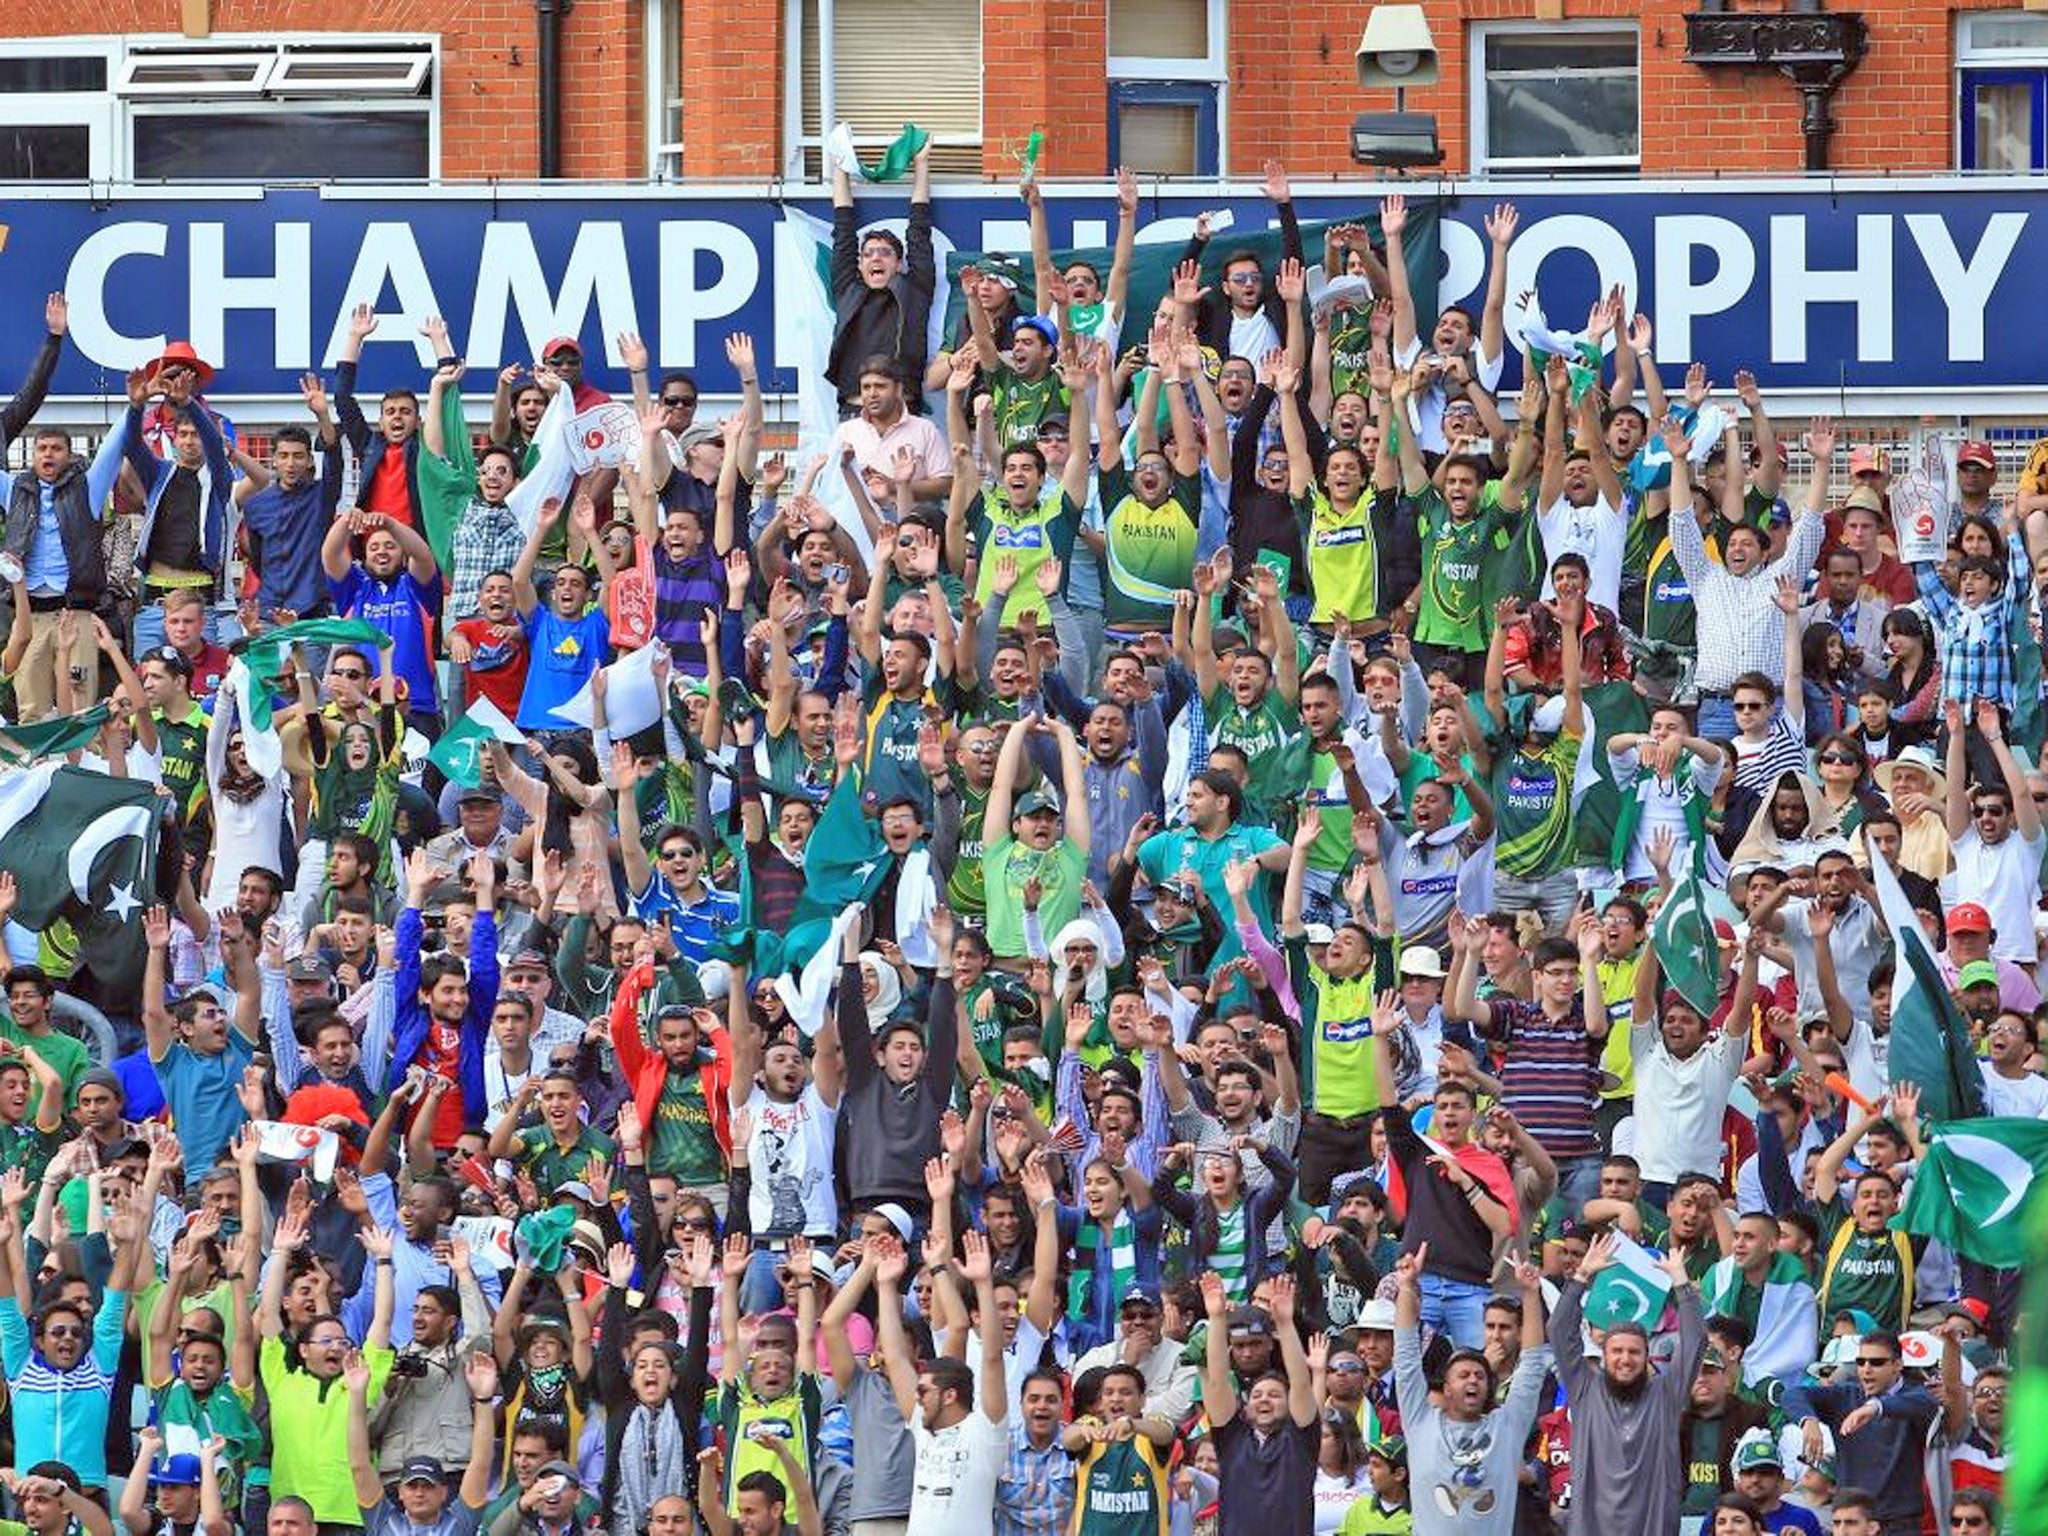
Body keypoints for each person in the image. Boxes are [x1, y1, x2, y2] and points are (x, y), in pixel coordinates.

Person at [1549, 1231, 1704, 1536]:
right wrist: (1581, 1277)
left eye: (1634, 1352)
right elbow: (1558, 1330)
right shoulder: (1585, 1389)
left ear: (1647, 1356)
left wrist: (1681, 1285)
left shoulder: (1666, 1394)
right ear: (1603, 1355)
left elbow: (1695, 1341)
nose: (1625, 1359)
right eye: (1617, 1351)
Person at [1389, 1242, 1551, 1534]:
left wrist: (1530, 1294)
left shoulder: (1507, 1426)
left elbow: (1532, 1365)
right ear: (1447, 1388)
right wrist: (1407, 1286)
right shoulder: (1420, 1421)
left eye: (1480, 1375)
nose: (1473, 1380)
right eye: (1463, 1375)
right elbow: (1406, 1358)